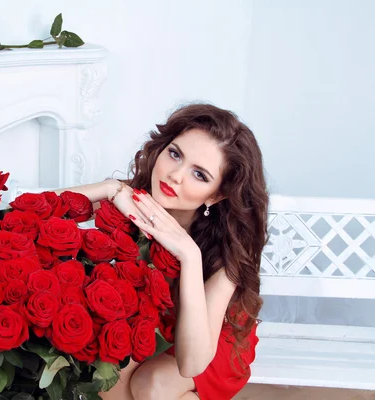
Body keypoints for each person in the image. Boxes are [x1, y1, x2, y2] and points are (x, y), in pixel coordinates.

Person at [54, 103, 268, 399]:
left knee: (152, 385)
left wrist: (189, 256)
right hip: (154, 331)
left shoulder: (227, 251)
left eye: (200, 175)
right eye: (175, 154)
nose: (175, 176)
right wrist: (111, 188)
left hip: (210, 344)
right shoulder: (138, 199)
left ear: (217, 195)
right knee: (108, 374)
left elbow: (192, 363)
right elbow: (29, 212)